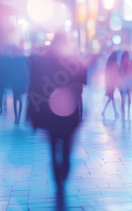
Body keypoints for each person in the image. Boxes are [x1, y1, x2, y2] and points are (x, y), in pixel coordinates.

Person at [27, 32, 87, 196]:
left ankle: (57, 177)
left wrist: (32, 111)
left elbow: (34, 87)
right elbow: (81, 83)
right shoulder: (72, 61)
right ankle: (64, 168)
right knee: (66, 140)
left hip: (48, 109)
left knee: (53, 143)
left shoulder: (41, 61)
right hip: (69, 107)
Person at [9, 50, 30, 123]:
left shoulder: (11, 62)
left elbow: (10, 72)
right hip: (20, 82)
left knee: (15, 98)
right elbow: (25, 72)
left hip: (14, 82)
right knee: (20, 99)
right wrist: (26, 82)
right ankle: (19, 115)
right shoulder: (22, 61)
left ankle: (16, 116)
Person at [102, 51, 119, 117]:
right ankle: (115, 112)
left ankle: (104, 111)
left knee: (110, 98)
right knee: (111, 98)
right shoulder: (114, 64)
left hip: (110, 83)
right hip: (112, 84)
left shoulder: (109, 63)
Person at [118, 51, 132, 117]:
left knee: (125, 96)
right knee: (127, 95)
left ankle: (125, 109)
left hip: (125, 81)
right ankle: (126, 109)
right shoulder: (128, 63)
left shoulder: (122, 63)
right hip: (126, 81)